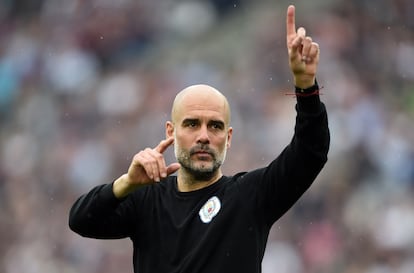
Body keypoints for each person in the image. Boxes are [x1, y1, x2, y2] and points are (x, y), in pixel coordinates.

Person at [69, 5, 330, 273]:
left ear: (228, 138)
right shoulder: (146, 200)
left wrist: (305, 85)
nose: (204, 136)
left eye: (215, 126)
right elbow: (82, 220)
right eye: (192, 124)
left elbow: (310, 153)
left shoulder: (249, 196)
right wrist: (126, 183)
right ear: (171, 132)